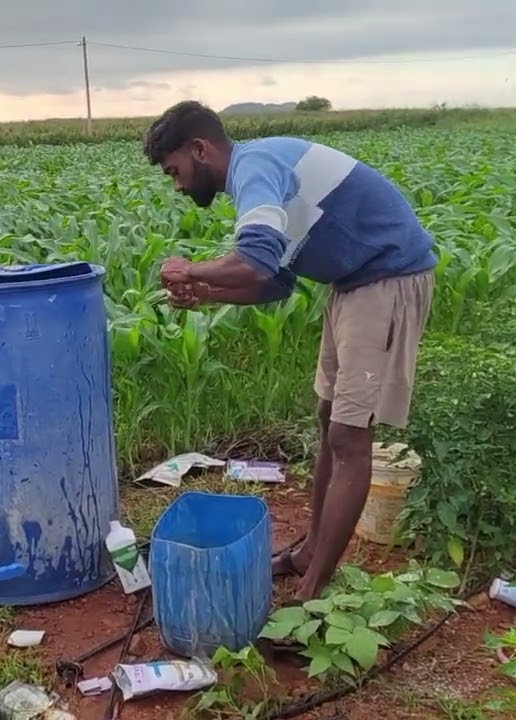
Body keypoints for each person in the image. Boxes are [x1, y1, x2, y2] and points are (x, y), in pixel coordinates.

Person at [143, 100, 437, 605]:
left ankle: (313, 591)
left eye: (175, 171)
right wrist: (204, 293)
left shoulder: (254, 166)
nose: (177, 186)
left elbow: (255, 258)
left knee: (350, 435)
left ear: (200, 149)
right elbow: (274, 282)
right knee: (329, 418)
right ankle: (309, 554)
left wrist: (190, 270)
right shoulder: (256, 170)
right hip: (352, 283)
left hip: (387, 279)